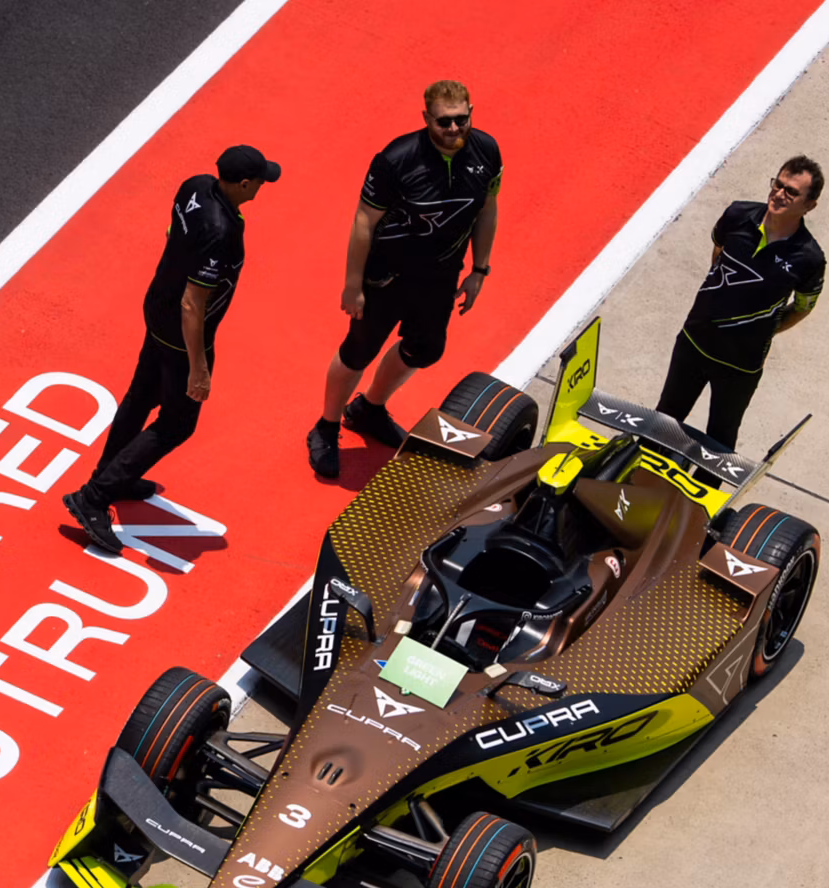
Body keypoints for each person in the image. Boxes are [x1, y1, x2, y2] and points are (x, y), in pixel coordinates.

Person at [63, 145, 278, 551]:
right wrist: (199, 367)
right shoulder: (221, 231)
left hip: (157, 308)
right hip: (182, 332)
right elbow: (193, 304)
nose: (262, 186)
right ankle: (94, 497)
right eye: (259, 181)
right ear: (243, 184)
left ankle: (112, 474)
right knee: (178, 422)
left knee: (141, 397)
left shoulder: (195, 186)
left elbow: (171, 236)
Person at [304, 80, 502, 477]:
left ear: (471, 113)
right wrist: (353, 285)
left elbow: (487, 209)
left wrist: (479, 270)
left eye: (461, 119)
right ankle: (325, 426)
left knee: (425, 350)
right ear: (426, 118)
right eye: (443, 121)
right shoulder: (396, 160)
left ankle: (369, 409)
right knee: (358, 352)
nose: (453, 128)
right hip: (386, 277)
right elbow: (364, 221)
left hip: (441, 276)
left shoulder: (487, 151)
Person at [656, 155, 826, 450]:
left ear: (809, 205)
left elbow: (803, 307)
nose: (779, 194)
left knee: (719, 443)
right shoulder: (737, 214)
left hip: (741, 366)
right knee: (663, 423)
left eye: (791, 192)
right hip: (694, 342)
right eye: (778, 184)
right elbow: (718, 252)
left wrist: (763, 329)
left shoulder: (809, 258)